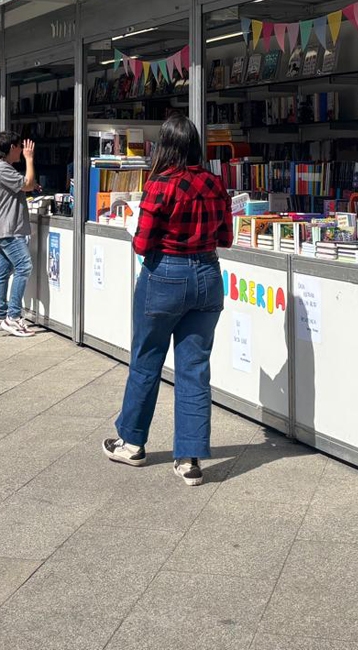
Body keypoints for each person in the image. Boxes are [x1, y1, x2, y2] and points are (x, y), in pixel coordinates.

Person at [104, 114, 231, 486]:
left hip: (164, 276)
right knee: (195, 368)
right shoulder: (214, 182)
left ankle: (131, 443)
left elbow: (141, 243)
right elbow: (226, 237)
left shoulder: (160, 185)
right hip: (208, 276)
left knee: (146, 360)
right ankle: (190, 459)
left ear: (166, 146)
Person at [0, 131, 39, 338]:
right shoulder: (2, 168)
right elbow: (27, 184)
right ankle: (13, 317)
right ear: (12, 148)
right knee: (24, 266)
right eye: (20, 147)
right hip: (7, 228)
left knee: (4, 270)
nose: (23, 150)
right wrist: (30, 160)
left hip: (1, 226)